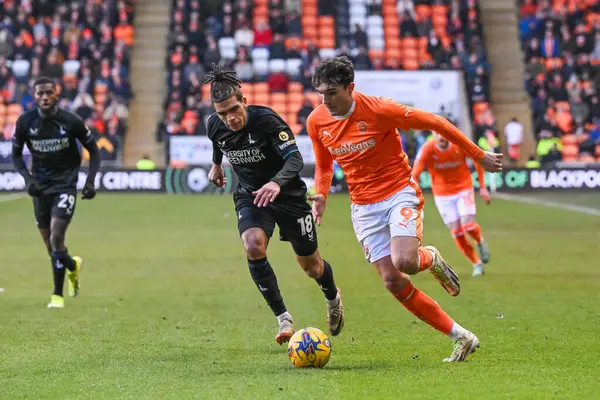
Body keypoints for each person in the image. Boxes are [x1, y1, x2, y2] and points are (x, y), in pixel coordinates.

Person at [306, 57, 503, 362]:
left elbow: (437, 123)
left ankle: (431, 258)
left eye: (332, 92)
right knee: (392, 280)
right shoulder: (317, 120)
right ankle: (461, 337)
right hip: (363, 207)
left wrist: (478, 155)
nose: (325, 100)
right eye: (320, 93)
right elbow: (323, 165)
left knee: (405, 261)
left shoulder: (380, 109)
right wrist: (321, 194)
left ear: (350, 88)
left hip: (398, 192)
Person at [203, 65, 343, 344]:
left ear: (244, 101)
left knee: (312, 267)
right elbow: (218, 142)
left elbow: (295, 160)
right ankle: (283, 318)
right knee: (253, 245)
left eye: (233, 109)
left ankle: (332, 296)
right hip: (252, 195)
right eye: (222, 113)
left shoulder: (267, 120)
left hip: (289, 196)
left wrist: (276, 183)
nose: (229, 118)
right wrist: (216, 165)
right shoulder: (214, 124)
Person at [11, 76, 101, 309]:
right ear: (34, 96)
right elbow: (17, 155)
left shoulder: (71, 121)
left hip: (65, 184)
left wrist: (90, 181)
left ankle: (56, 295)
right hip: (39, 187)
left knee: (57, 235)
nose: (44, 97)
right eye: (40, 93)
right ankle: (72, 265)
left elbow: (94, 149)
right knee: (51, 246)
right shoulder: (24, 122)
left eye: (49, 92)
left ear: (57, 94)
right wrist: (28, 179)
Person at [411, 132, 491, 277]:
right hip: (442, 195)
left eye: (445, 134)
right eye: (438, 134)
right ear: (434, 135)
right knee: (457, 232)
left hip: (463, 189)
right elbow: (414, 174)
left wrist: (483, 186)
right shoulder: (427, 149)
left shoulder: (460, 143)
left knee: (468, 224)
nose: (442, 137)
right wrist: (416, 193)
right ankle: (476, 263)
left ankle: (479, 241)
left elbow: (478, 159)